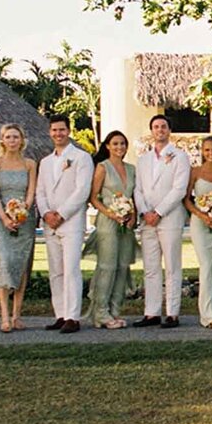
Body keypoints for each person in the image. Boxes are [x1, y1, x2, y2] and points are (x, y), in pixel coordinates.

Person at [35, 116, 93, 334]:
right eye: (54, 130)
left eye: (62, 130)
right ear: (50, 132)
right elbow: (40, 191)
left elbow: (82, 190)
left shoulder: (81, 157)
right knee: (56, 271)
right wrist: (47, 213)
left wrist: (61, 214)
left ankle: (73, 316)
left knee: (71, 270)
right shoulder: (45, 162)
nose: (58, 133)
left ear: (69, 131)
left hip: (70, 221)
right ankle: (60, 313)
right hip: (50, 223)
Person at [133, 115, 192, 328]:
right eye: (156, 127)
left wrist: (158, 212)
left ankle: (172, 313)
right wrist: (145, 212)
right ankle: (151, 313)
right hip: (147, 220)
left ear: (169, 130)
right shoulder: (143, 159)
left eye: (163, 127)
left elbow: (179, 189)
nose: (159, 130)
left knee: (172, 266)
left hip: (169, 218)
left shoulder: (180, 156)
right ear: (151, 131)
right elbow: (138, 189)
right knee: (151, 268)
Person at [0, 124, 37, 331]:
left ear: (22, 140)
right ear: (2, 140)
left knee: (22, 265)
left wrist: (23, 211)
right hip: (2, 219)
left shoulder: (30, 164)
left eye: (16, 137)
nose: (12, 140)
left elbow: (31, 191)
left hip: (25, 219)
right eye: (8, 137)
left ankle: (17, 315)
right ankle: (4, 316)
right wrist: (5, 217)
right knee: (5, 262)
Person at [87, 130, 136, 330]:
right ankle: (101, 312)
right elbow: (93, 197)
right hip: (108, 222)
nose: (119, 147)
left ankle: (115, 310)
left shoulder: (131, 169)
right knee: (107, 266)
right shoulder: (102, 167)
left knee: (123, 266)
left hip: (126, 223)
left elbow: (133, 196)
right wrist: (111, 213)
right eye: (115, 144)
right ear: (107, 146)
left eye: (123, 144)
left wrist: (132, 215)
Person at [185, 135, 212, 330]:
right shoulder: (194, 172)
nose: (211, 153)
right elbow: (186, 199)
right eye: (207, 150)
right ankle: (208, 315)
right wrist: (201, 216)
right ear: (202, 152)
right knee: (205, 264)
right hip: (200, 222)